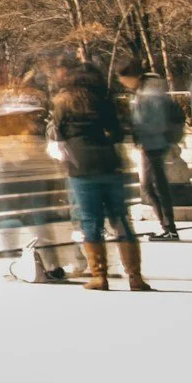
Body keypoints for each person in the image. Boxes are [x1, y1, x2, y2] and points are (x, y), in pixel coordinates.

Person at [49, 51, 147, 291]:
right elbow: (117, 132)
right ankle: (134, 276)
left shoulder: (64, 101)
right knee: (121, 218)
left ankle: (99, 276)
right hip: (109, 162)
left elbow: (56, 134)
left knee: (90, 221)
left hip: (80, 166)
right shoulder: (105, 101)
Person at [128, 71, 185, 243]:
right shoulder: (161, 97)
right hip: (158, 144)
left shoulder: (149, 98)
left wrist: (139, 135)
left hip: (152, 145)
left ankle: (169, 228)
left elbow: (146, 122)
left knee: (153, 186)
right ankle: (168, 227)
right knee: (154, 185)